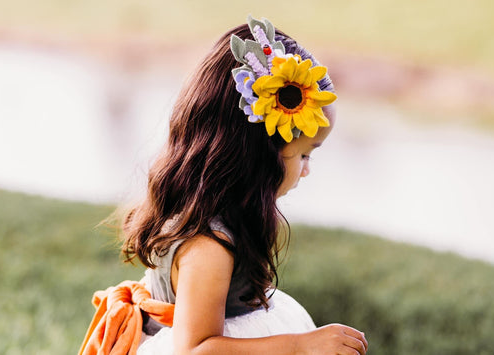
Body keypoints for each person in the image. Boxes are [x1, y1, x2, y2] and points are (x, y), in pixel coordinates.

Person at [83, 16, 368, 355]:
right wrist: (299, 345)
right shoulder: (210, 244)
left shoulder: (213, 214)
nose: (306, 171)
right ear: (260, 154)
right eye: (304, 155)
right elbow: (195, 348)